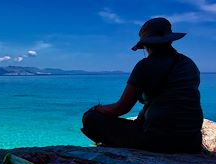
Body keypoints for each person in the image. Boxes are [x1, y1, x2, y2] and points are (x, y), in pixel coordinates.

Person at [81, 17, 203, 154]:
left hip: (159, 140)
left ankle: (117, 148)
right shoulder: (189, 64)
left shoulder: (145, 66)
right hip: (192, 140)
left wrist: (97, 109)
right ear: (170, 40)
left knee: (90, 118)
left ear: (146, 45)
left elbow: (121, 108)